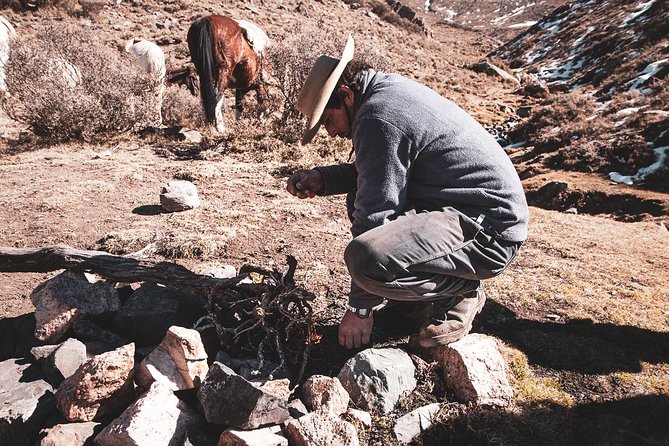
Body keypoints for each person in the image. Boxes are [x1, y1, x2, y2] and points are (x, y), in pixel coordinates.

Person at [286, 35, 529, 350]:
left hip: (489, 232)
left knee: (365, 259)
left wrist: (360, 308)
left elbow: (375, 214)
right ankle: (411, 303)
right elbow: (379, 173)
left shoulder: (378, 116)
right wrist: (323, 178)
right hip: (468, 211)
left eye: (328, 119)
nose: (331, 132)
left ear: (345, 94)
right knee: (359, 201)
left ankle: (458, 292)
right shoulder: (382, 95)